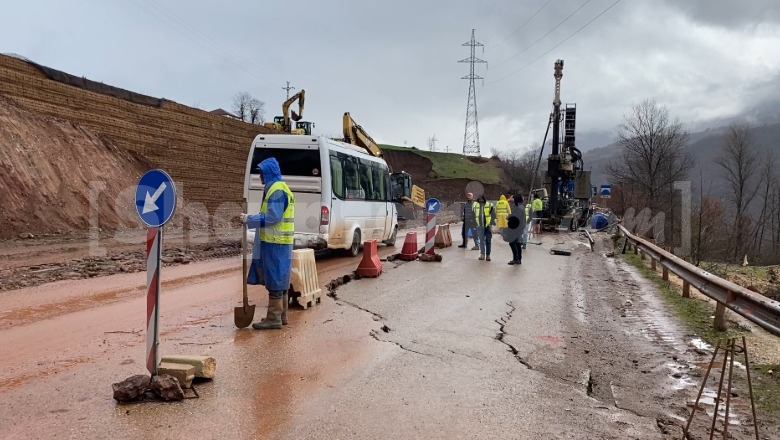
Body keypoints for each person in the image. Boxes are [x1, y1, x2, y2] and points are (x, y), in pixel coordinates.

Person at [240, 157, 295, 330]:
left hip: (275, 242)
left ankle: (273, 318)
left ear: (269, 173)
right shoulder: (279, 187)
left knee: (275, 279)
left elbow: (273, 217)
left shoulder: (277, 190)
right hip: (281, 241)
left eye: (262, 173)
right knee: (281, 278)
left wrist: (250, 219)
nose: (260, 176)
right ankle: (282, 315)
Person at [472, 194, 495, 261]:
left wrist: (490, 223)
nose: (481, 200)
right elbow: (473, 215)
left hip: (487, 226)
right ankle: (482, 254)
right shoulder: (475, 205)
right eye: (479, 199)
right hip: (479, 226)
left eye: (482, 199)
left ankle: (488, 255)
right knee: (481, 241)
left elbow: (493, 215)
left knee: (488, 241)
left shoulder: (489, 205)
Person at [506, 193, 526, 265]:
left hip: (516, 227)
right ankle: (518, 259)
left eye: (514, 199)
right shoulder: (520, 206)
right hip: (518, 227)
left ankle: (516, 258)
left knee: (512, 243)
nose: (512, 200)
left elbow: (515, 218)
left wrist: (508, 217)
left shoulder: (518, 207)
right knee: (517, 243)